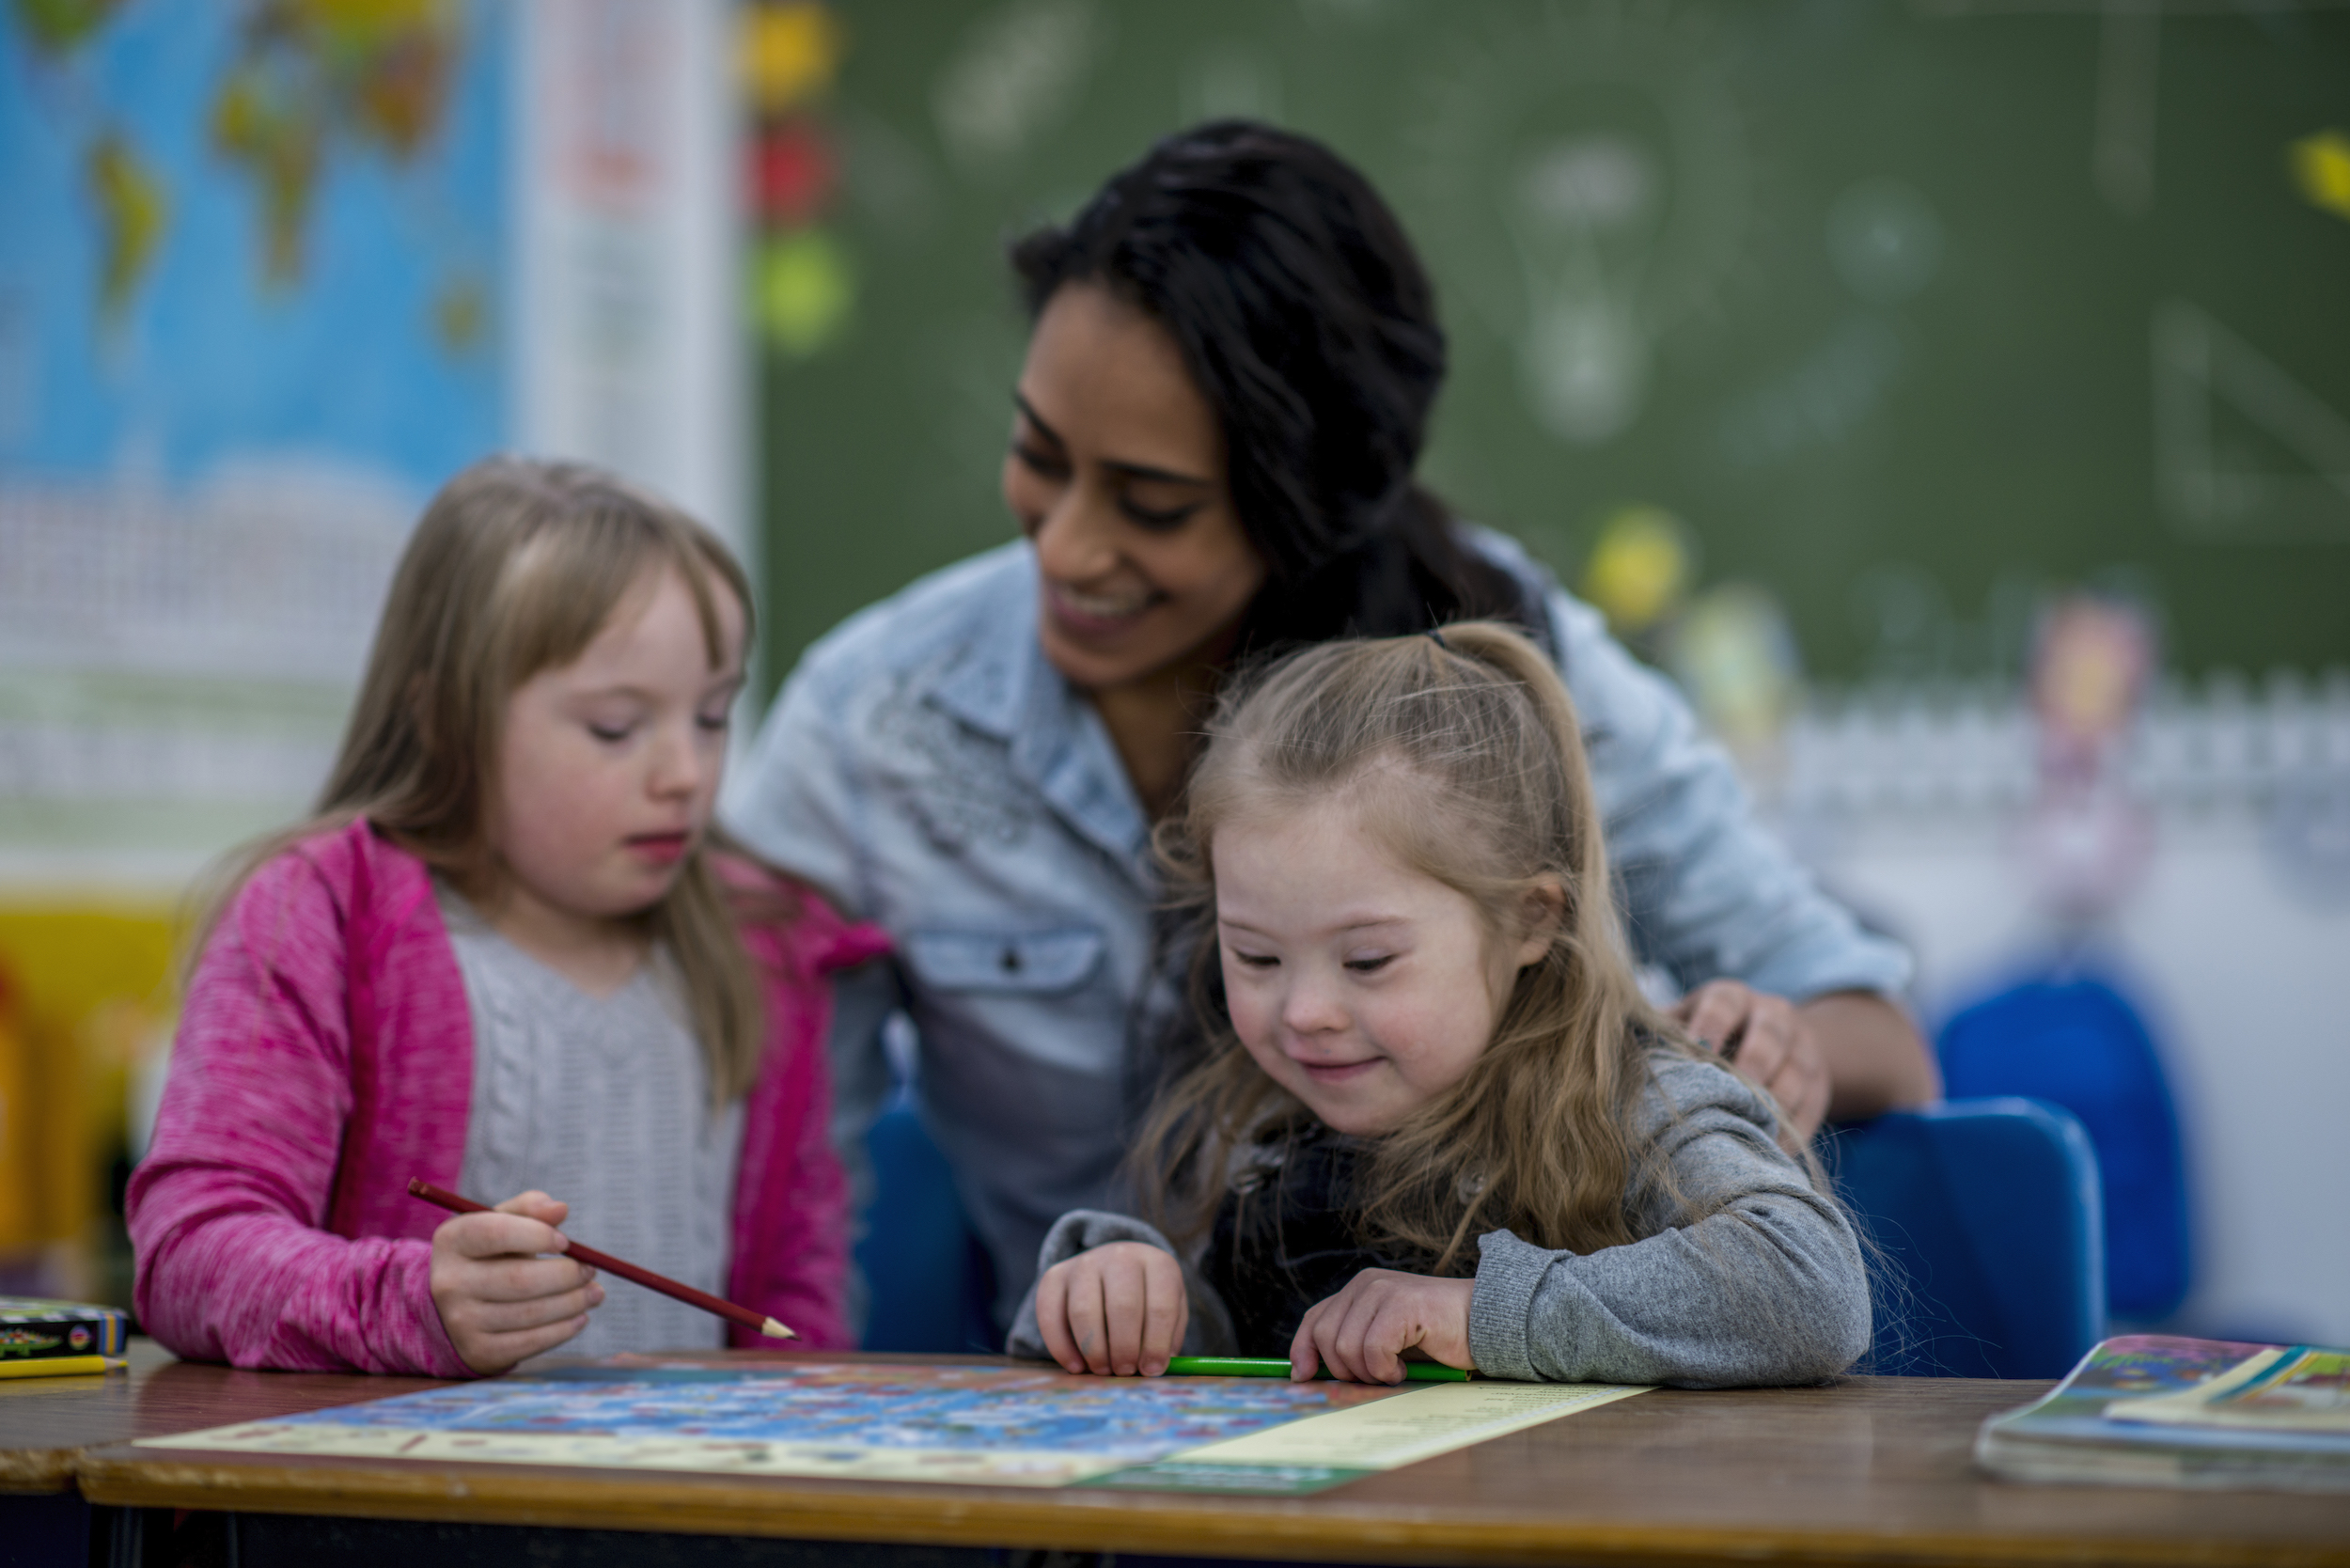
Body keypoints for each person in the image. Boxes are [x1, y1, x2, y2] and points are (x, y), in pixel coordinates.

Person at [725, 121, 1935, 1326]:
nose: (1068, 543)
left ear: (1306, 505)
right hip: (1137, 1426)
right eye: (1038, 456)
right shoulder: (876, 717)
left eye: (1153, 503)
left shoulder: (1502, 669)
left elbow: (1871, 1036)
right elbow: (762, 1172)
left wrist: (1769, 1051)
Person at [130, 458, 884, 1376]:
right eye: (615, 727)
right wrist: (411, 1305)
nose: (686, 772)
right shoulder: (321, 916)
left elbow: (800, 1294)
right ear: (448, 719)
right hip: (392, 1512)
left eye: (715, 716)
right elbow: (190, 1255)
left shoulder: (760, 947)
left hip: (689, 1504)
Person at [1007, 624, 1871, 1386]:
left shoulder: (1636, 1104)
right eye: (1256, 955)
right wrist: (1114, 1292)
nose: (1304, 1010)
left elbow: (1809, 1288)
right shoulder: (1246, 1131)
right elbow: (1212, 1374)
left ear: (1530, 918)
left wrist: (1476, 1316)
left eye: (1369, 960)